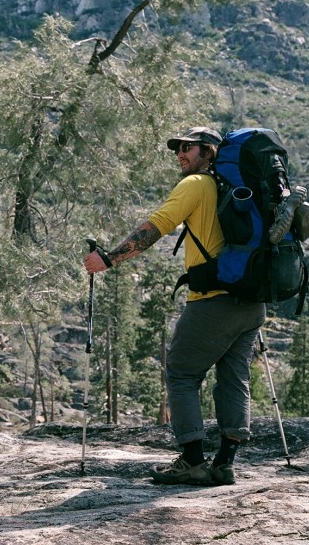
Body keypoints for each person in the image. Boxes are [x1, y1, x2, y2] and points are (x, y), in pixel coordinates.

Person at [84, 126, 266, 486]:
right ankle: (225, 464)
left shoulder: (196, 185)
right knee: (234, 378)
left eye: (188, 148)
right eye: (178, 149)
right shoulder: (241, 189)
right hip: (251, 302)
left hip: (212, 302)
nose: (180, 154)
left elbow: (158, 226)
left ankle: (193, 461)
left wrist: (110, 259)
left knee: (182, 374)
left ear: (209, 151)